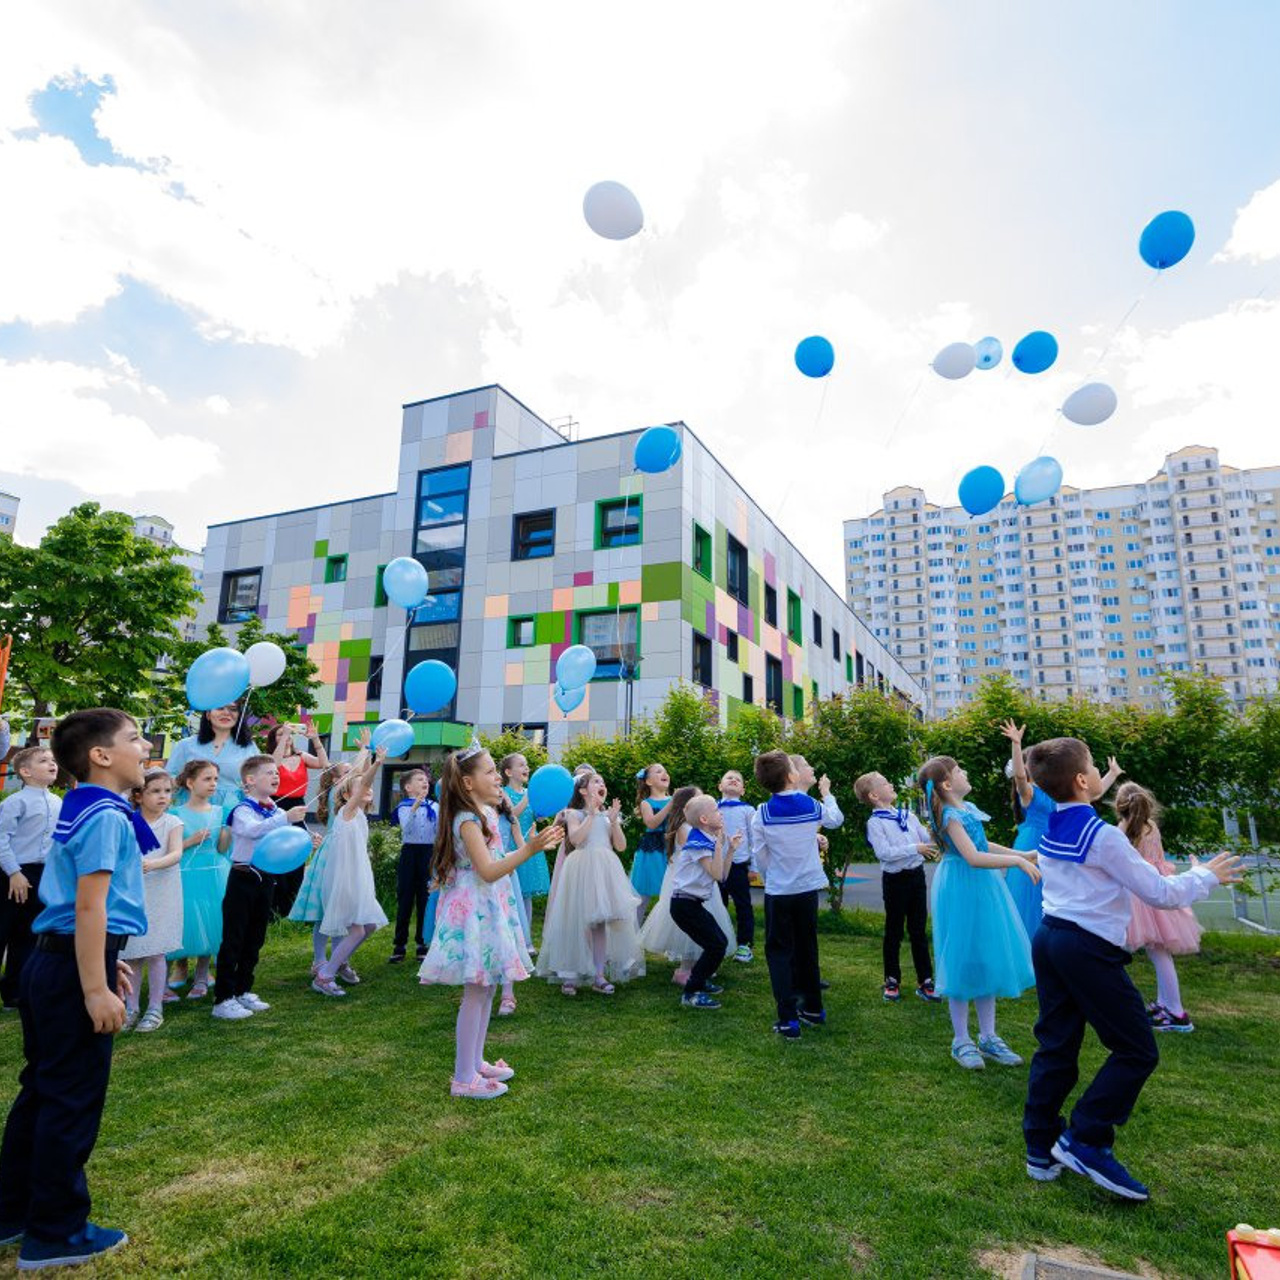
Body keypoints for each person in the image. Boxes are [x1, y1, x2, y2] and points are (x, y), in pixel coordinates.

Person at [1023, 738, 1241, 1200]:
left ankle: (1039, 1148)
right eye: (1094, 771)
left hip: (1050, 939)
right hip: (1086, 948)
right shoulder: (1101, 835)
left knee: (1056, 1045)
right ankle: (1085, 1138)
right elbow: (1159, 893)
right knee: (1137, 1050)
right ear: (1083, 781)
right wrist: (1206, 876)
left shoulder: (1050, 824)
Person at [0, 708, 152, 1269]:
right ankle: (56, 1233)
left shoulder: (82, 804)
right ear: (101, 756)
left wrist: (102, 962)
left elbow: (82, 907)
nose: (146, 747)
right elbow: (89, 904)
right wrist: (94, 987)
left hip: (54, 961)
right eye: (135, 739)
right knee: (71, 1098)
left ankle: (11, 1212)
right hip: (69, 970)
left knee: (41, 1089)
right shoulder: (108, 815)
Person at [417, 745, 562, 1099]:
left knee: (487, 987)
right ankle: (463, 1078)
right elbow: (486, 869)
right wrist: (528, 850)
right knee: (476, 992)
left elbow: (495, 859)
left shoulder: (481, 813)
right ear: (468, 782)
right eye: (490, 772)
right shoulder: (467, 820)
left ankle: (475, 1061)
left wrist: (530, 846)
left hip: (487, 905)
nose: (497, 778)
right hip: (474, 909)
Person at [917, 755, 1038, 1071]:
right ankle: (961, 1040)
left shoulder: (966, 810)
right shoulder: (950, 817)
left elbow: (983, 844)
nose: (966, 771)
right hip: (960, 886)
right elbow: (972, 856)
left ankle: (988, 1036)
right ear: (947, 784)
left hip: (983, 886)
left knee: (986, 954)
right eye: (959, 770)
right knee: (962, 956)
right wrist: (1017, 863)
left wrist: (1020, 853)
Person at [748, 751, 843, 1040]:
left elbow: (759, 856)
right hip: (806, 890)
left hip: (778, 891)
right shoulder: (812, 805)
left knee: (779, 953)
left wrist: (773, 874)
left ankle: (788, 1019)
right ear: (791, 776)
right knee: (807, 947)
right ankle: (813, 1009)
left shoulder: (761, 813)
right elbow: (835, 819)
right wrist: (827, 794)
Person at [1001, 721, 1123, 942]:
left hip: (1055, 843)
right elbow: (1020, 777)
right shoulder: (1029, 794)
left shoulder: (1057, 792)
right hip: (1031, 846)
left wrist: (1112, 774)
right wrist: (1016, 744)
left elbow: (1091, 793)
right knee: (1029, 902)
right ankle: (1030, 956)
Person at [211, 755, 308, 1022]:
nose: (276, 777)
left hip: (267, 879)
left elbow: (282, 842)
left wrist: (306, 837)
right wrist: (285, 819)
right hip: (242, 878)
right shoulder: (243, 810)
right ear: (250, 781)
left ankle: (243, 989)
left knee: (255, 937)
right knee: (234, 938)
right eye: (269, 773)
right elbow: (253, 831)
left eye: (277, 773)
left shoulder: (276, 811)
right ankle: (223, 998)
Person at [536, 770, 645, 996]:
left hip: (604, 869)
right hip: (581, 868)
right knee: (575, 922)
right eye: (596, 781)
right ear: (584, 790)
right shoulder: (574, 813)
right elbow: (576, 839)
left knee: (599, 923)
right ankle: (569, 973)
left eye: (602, 781)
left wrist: (614, 823)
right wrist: (593, 814)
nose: (601, 784)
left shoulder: (608, 816)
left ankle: (598, 974)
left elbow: (621, 846)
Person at [1115, 782, 1203, 1033]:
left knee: (1159, 953)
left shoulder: (1122, 830)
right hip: (1162, 886)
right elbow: (1160, 860)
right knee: (1160, 953)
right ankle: (1165, 1004)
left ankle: (1176, 1012)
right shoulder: (1151, 827)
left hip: (1144, 895)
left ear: (1120, 806)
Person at [853, 770, 940, 1003]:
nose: (891, 783)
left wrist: (935, 828)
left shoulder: (908, 815)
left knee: (919, 930)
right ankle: (892, 979)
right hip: (895, 882)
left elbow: (927, 840)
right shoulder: (875, 823)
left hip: (917, 877)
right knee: (894, 931)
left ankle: (926, 980)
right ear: (874, 795)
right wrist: (916, 848)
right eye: (884, 782)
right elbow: (884, 854)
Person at [310, 748, 388, 998]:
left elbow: (360, 778)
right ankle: (325, 976)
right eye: (361, 787)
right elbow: (362, 778)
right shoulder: (347, 812)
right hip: (345, 879)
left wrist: (367, 760)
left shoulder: (360, 815)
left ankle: (339, 961)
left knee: (369, 926)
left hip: (357, 876)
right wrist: (376, 765)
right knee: (356, 929)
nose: (368, 788)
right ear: (345, 794)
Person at [638, 787, 733, 986]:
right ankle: (687, 970)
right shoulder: (687, 829)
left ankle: (700, 965)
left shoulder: (694, 829)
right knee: (696, 929)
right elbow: (702, 860)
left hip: (697, 879)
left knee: (704, 929)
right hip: (690, 881)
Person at [120, 771, 184, 1033]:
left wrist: (152, 864)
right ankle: (131, 1006)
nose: (163, 797)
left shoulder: (173, 822)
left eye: (167, 791)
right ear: (139, 795)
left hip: (163, 889)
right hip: (133, 891)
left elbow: (176, 853)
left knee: (156, 950)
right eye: (155, 791)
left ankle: (155, 1007)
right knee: (132, 952)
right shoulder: (128, 822)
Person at [290, 753, 363, 978]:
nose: (352, 775)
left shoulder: (353, 797)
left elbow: (361, 775)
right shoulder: (336, 794)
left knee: (343, 913)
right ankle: (320, 959)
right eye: (346, 772)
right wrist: (365, 753)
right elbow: (358, 774)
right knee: (326, 912)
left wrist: (367, 753)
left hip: (348, 856)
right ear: (335, 781)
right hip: (332, 856)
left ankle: (339, 959)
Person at [0, 746, 61, 1012]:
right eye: (43, 760)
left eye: (53, 760)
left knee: (27, 935)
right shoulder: (16, 802)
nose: (52, 763)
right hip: (11, 873)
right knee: (3, 930)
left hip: (42, 875)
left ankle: (15, 992)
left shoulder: (58, 802)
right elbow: (1, 839)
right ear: (25, 771)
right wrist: (14, 872)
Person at [166, 760, 231, 1001]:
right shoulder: (175, 814)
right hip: (186, 872)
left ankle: (203, 974)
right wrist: (190, 840)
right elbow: (170, 850)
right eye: (207, 779)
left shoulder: (220, 812)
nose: (213, 783)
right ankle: (179, 965)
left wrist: (227, 833)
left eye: (215, 779)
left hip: (213, 872)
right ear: (190, 783)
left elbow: (223, 849)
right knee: (186, 918)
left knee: (211, 919)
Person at [669, 795, 740, 1010]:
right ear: (704, 819)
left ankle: (699, 981)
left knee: (717, 943)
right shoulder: (698, 842)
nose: (721, 813)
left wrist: (730, 850)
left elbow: (723, 876)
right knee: (716, 945)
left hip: (691, 904)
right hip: (684, 905)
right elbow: (717, 874)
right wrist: (719, 846)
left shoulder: (707, 839)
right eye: (717, 811)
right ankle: (692, 992)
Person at [264, 720, 330, 918]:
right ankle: (274, 908)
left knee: (297, 853)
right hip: (276, 805)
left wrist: (316, 739)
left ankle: (292, 907)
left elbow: (324, 764)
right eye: (280, 734)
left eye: (289, 734)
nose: (286, 736)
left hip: (298, 805)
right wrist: (283, 736)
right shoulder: (270, 758)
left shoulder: (301, 756)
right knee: (277, 852)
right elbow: (272, 767)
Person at [164, 704, 258, 809]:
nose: (226, 713)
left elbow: (263, 774)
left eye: (233, 709)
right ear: (208, 714)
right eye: (220, 708)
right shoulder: (185, 745)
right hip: (192, 809)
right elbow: (167, 780)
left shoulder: (248, 746)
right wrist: (184, 779)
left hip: (232, 811)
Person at [389, 767, 438, 964]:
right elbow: (406, 827)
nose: (424, 782)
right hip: (410, 854)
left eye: (425, 780)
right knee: (405, 898)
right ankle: (399, 945)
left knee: (425, 899)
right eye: (419, 780)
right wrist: (415, 806)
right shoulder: (404, 807)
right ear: (408, 787)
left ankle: (422, 943)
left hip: (429, 854)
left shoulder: (435, 806)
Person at [500, 753, 548, 947]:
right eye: (521, 765)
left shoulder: (530, 792)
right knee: (512, 894)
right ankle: (511, 939)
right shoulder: (503, 792)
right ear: (508, 772)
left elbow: (536, 818)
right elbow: (512, 815)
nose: (526, 768)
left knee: (526, 896)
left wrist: (542, 814)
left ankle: (526, 941)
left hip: (530, 845)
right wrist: (528, 798)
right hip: (512, 848)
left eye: (526, 764)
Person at [715, 770, 757, 963]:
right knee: (717, 904)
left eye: (738, 779)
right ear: (720, 786)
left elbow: (755, 839)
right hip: (715, 866)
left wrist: (754, 867)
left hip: (739, 865)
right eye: (729, 778)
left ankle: (744, 945)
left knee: (743, 906)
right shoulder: (713, 808)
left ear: (742, 790)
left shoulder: (748, 810)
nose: (733, 780)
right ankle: (719, 942)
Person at [630, 762, 672, 922]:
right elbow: (652, 823)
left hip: (670, 849)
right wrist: (670, 805)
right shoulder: (646, 803)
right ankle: (632, 934)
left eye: (665, 771)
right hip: (651, 850)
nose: (664, 774)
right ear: (648, 782)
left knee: (670, 893)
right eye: (659, 771)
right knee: (642, 896)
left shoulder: (673, 799)